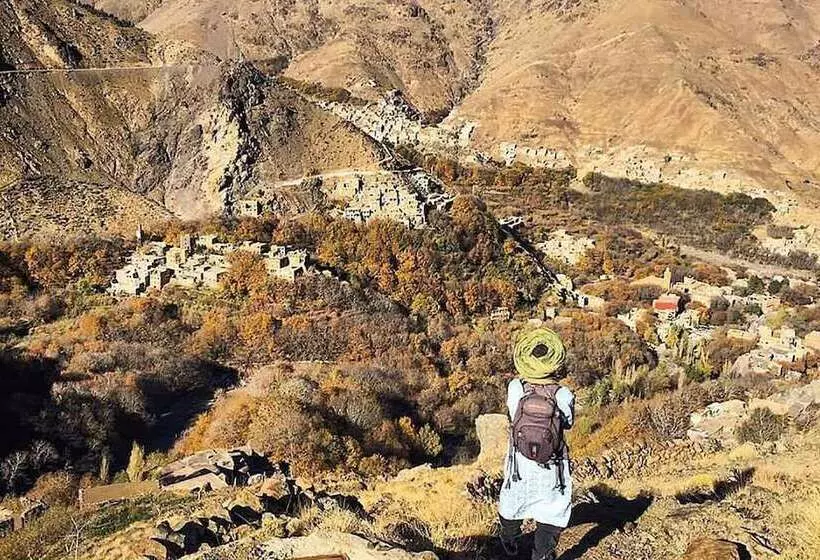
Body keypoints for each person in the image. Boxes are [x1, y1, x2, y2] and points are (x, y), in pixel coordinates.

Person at [499, 328, 575, 560]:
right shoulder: (563, 394)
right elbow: (568, 423)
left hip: (520, 464)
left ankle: (509, 541)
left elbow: (514, 418)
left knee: (513, 502)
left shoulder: (515, 388)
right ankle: (542, 554)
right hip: (552, 465)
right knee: (552, 510)